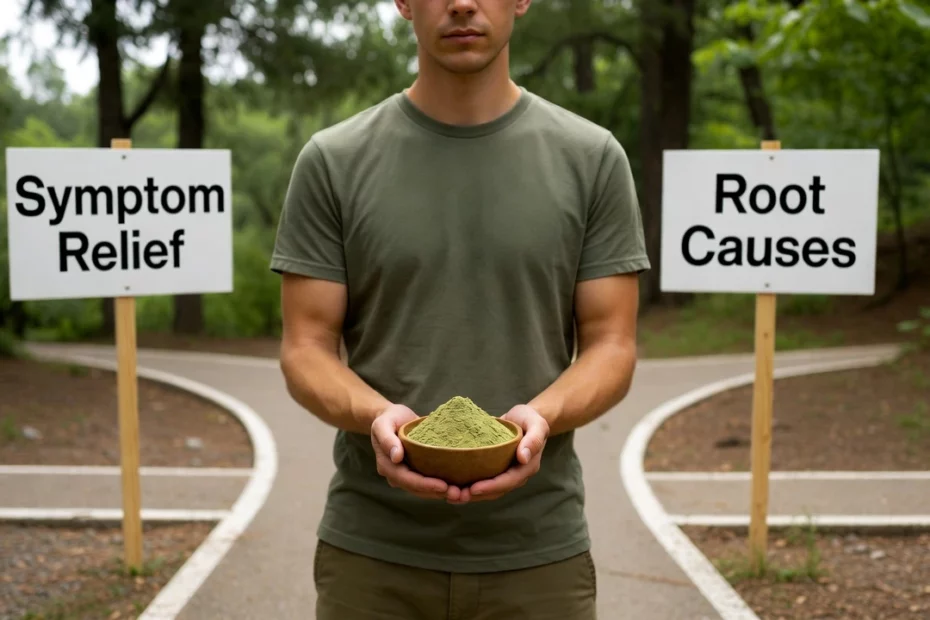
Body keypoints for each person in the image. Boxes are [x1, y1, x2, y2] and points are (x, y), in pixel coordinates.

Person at [270, 0, 650, 617]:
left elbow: (613, 345)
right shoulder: (333, 161)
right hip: (373, 555)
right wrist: (378, 417)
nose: (463, 4)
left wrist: (542, 416)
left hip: (537, 554)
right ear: (402, 3)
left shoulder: (592, 158)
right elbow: (304, 348)